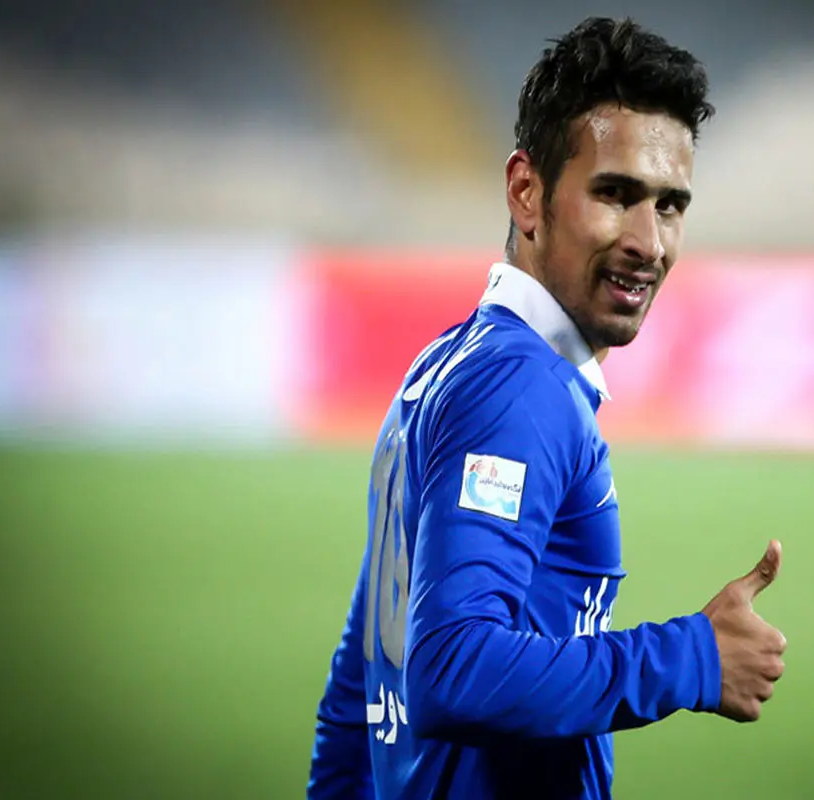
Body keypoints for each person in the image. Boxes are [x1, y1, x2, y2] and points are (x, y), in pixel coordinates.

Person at [307, 16, 787, 799]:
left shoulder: (449, 363)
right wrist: (691, 658)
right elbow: (450, 670)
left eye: (670, 206)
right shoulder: (518, 389)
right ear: (527, 193)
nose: (649, 242)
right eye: (615, 195)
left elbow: (359, 688)